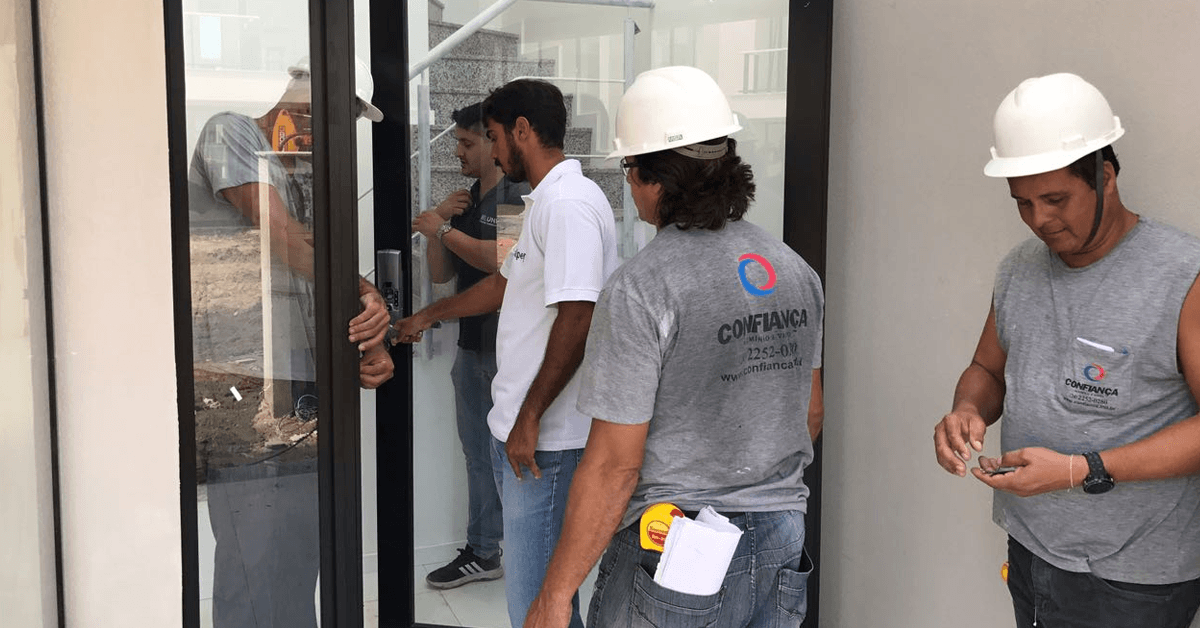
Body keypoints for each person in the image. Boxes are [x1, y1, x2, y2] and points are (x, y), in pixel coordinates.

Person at [523, 66, 825, 628]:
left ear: (653, 178)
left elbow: (614, 466)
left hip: (678, 546)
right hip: (782, 535)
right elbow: (808, 412)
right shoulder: (794, 271)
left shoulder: (642, 287)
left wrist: (555, 595)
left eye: (629, 169)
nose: (629, 184)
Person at [932, 73, 1200, 627]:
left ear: (1106, 177)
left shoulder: (1182, 276)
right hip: (1032, 548)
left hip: (1133, 577)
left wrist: (1082, 469)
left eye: (1056, 199)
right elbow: (987, 368)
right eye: (1023, 203)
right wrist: (967, 409)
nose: (1040, 220)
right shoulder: (1019, 269)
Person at [395, 79, 618, 628]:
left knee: (537, 606)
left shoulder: (567, 206)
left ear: (522, 130)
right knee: (539, 603)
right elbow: (503, 285)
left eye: (493, 137)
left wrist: (530, 418)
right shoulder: (543, 202)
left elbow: (579, 317)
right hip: (521, 433)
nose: (492, 152)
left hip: (546, 444)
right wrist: (429, 315)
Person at [189, 56, 392, 628]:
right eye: (337, 114)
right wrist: (364, 291)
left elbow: (321, 272)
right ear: (303, 97)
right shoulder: (231, 134)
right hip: (239, 384)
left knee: (302, 548)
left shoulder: (304, 174)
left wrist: (369, 330)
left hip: (300, 381)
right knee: (252, 553)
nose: (337, 131)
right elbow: (284, 240)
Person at [414, 101, 529, 589]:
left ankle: (516, 551)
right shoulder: (467, 200)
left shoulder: (518, 194)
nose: (458, 152)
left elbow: (503, 264)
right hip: (471, 349)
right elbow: (443, 275)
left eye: (467, 143)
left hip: (507, 353)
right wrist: (439, 224)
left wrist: (441, 229)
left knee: (510, 457)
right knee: (478, 456)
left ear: (492, 141)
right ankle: (484, 551)